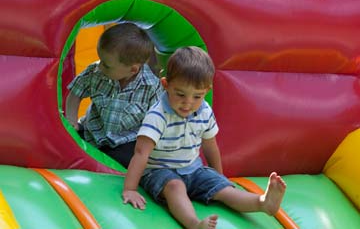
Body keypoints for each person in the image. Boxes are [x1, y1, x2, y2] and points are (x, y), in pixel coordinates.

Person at [122, 46, 286, 229]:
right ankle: (194, 224)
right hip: (159, 171)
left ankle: (263, 202)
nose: (188, 103)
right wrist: (130, 189)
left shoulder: (204, 111)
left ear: (207, 91)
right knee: (175, 187)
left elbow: (210, 146)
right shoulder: (158, 116)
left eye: (197, 96)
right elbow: (140, 153)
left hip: (194, 169)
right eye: (180, 94)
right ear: (166, 84)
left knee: (223, 189)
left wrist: (219, 177)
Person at [65, 22, 163, 168]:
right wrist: (72, 120)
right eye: (100, 60)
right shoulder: (96, 72)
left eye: (106, 64)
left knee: (133, 159)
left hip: (126, 141)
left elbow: (157, 119)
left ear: (133, 70)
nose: (99, 66)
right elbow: (75, 92)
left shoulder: (151, 86)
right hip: (93, 133)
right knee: (67, 145)